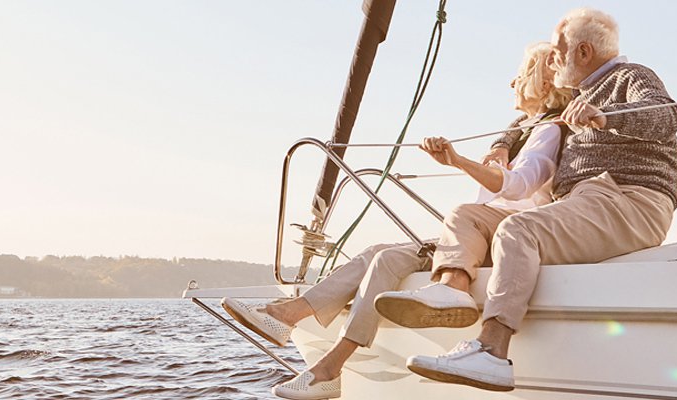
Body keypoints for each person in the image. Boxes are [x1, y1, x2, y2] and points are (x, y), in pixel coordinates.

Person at [218, 41, 576, 400]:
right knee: (381, 253)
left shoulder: (549, 132)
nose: (512, 83)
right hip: (477, 234)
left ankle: (316, 352)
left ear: (542, 83)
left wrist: (460, 162)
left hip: (505, 237)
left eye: (519, 75)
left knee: (392, 254)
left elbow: (519, 187)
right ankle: (302, 333)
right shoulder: (520, 132)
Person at [386, 7, 677, 392]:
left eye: (558, 51)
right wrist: (501, 144)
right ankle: (450, 292)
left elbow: (665, 116)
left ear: (584, 52)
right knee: (466, 216)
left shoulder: (630, 76)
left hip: (628, 200)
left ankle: (491, 352)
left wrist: (604, 116)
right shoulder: (578, 95)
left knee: (517, 229)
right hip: (587, 201)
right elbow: (529, 120)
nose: (552, 58)